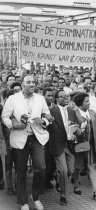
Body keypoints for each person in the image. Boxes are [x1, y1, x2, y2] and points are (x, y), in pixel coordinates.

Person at [2, 75, 51, 210]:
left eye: (33, 82)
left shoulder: (40, 98)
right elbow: (5, 116)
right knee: (21, 171)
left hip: (37, 137)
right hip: (20, 138)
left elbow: (47, 115)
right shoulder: (13, 99)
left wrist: (44, 121)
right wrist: (13, 124)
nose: (31, 84)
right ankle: (23, 201)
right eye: (28, 82)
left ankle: (35, 197)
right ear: (22, 85)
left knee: (41, 167)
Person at [48, 90, 81, 206]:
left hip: (70, 145)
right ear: (57, 99)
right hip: (58, 145)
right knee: (63, 170)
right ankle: (63, 195)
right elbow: (49, 128)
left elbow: (77, 125)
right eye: (62, 97)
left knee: (71, 170)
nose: (65, 98)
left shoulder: (72, 111)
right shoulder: (51, 111)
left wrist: (76, 132)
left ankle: (59, 180)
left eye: (66, 96)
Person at [71, 92, 96, 200]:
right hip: (78, 145)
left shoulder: (92, 112)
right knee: (77, 167)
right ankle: (76, 185)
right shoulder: (73, 113)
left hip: (91, 145)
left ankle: (95, 191)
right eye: (86, 101)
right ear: (80, 103)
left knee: (92, 166)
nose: (89, 103)